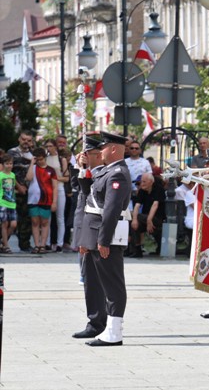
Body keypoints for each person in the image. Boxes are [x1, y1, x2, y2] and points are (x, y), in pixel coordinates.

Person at [78, 131, 132, 347]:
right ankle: (106, 327)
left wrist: (104, 240)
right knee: (97, 282)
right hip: (95, 233)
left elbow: (111, 209)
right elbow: (89, 197)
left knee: (112, 285)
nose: (99, 152)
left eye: (102, 147)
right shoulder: (107, 172)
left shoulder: (118, 173)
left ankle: (114, 330)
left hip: (105, 234)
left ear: (112, 148)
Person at [72, 135, 108, 339]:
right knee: (89, 277)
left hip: (96, 230)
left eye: (91, 154)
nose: (86, 158)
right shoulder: (85, 171)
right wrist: (80, 169)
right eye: (85, 154)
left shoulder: (105, 172)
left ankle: (100, 321)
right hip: (84, 226)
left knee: (99, 279)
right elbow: (77, 192)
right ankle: (96, 319)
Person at [25, 147, 58, 255]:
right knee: (35, 222)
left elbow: (55, 187)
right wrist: (31, 164)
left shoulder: (51, 170)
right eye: (37, 159)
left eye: (41, 159)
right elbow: (29, 178)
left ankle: (43, 245)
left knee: (44, 222)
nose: (39, 161)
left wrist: (54, 202)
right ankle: (36, 245)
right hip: (33, 200)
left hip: (46, 200)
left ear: (45, 157)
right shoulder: (33, 168)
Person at [7, 131, 34, 252]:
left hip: (29, 192)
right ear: (19, 139)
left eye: (28, 140)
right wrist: (19, 186)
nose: (26, 142)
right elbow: (8, 172)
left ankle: (25, 245)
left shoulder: (33, 155)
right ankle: (4, 244)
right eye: (24, 139)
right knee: (8, 220)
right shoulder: (12, 153)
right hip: (12, 191)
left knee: (26, 220)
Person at [129, 172, 166, 257]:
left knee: (137, 217)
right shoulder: (142, 191)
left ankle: (136, 249)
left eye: (144, 182)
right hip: (144, 218)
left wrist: (149, 220)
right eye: (141, 182)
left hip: (157, 218)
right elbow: (137, 206)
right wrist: (134, 220)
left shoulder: (158, 189)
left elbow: (155, 205)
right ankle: (137, 250)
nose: (141, 184)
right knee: (134, 223)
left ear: (151, 182)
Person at [44, 138, 70, 252]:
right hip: (47, 189)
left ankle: (59, 243)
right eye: (47, 146)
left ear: (55, 147)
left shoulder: (61, 159)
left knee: (60, 218)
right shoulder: (45, 158)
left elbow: (66, 177)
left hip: (59, 188)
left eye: (50, 146)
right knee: (47, 218)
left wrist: (54, 178)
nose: (48, 148)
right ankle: (48, 242)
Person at [0, 154, 18, 254]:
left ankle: (3, 240)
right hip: (2, 202)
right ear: (3, 164)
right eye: (7, 163)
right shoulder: (0, 175)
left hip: (12, 203)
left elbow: (13, 188)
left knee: (13, 224)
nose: (9, 165)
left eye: (11, 163)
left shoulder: (12, 175)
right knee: (4, 224)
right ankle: (6, 246)